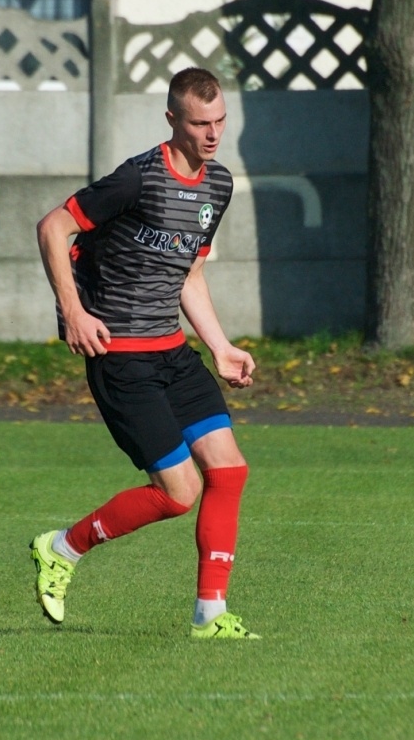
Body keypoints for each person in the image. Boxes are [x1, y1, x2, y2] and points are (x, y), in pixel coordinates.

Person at [28, 66, 260, 639]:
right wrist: (75, 313)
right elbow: (53, 227)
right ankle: (61, 548)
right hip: (122, 359)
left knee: (228, 471)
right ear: (172, 120)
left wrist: (221, 345)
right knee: (179, 494)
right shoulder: (137, 178)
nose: (212, 134)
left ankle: (210, 616)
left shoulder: (218, 186)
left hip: (174, 354)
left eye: (220, 121)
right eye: (200, 123)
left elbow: (189, 275)